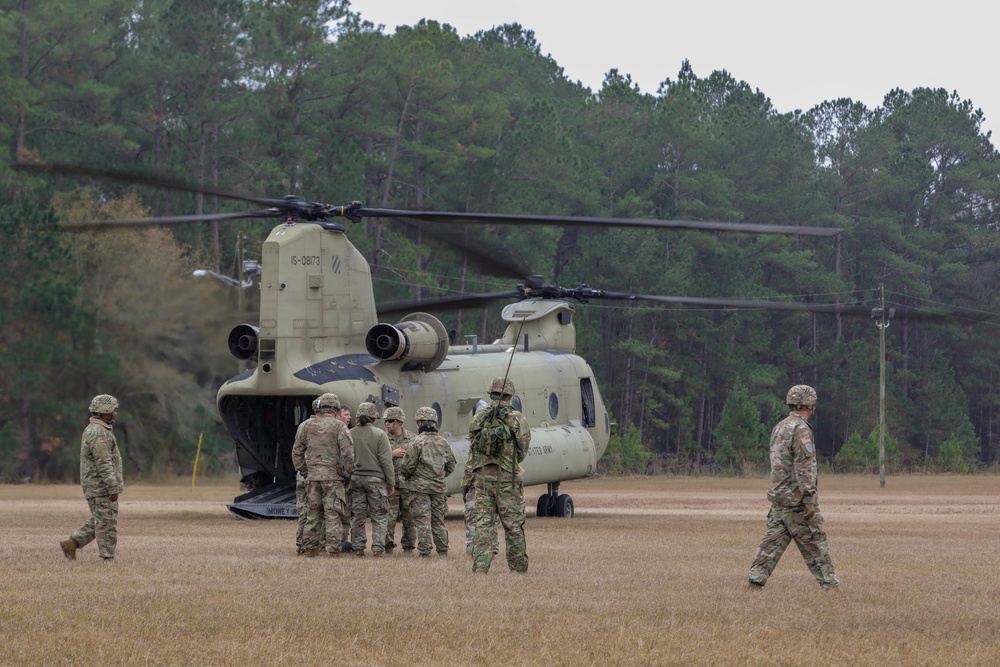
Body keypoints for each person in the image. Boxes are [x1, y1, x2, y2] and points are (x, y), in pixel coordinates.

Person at [747, 384, 839, 590]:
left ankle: (756, 579)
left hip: (779, 496)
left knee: (773, 540)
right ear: (810, 405)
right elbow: (804, 467)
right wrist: (809, 500)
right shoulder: (801, 430)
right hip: (795, 499)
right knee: (814, 541)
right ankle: (831, 586)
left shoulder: (780, 426)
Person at [467, 377, 530, 573]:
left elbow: (473, 443)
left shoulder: (479, 417)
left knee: (484, 525)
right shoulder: (517, 418)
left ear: (491, 394)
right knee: (513, 526)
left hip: (483, 479)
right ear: (510, 395)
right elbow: (522, 449)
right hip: (507, 480)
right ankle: (518, 569)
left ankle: (480, 569)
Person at [60, 394, 124, 562]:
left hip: (96, 485)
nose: (115, 413)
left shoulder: (98, 430)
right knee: (107, 523)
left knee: (101, 518)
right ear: (105, 411)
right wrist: (113, 487)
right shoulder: (98, 433)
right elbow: (104, 463)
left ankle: (71, 544)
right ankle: (107, 558)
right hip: (100, 486)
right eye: (113, 410)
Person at [291, 393, 355, 557]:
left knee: (312, 514)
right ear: (335, 409)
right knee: (333, 514)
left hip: (312, 478)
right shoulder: (339, 427)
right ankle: (333, 551)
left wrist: (305, 471)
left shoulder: (305, 426)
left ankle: (310, 550)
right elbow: (348, 454)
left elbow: (296, 453)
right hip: (333, 478)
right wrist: (349, 473)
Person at [399, 407, 456, 557]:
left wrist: (411, 477)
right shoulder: (444, 442)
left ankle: (425, 551)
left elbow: (406, 466)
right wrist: (438, 475)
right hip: (438, 488)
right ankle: (443, 550)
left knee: (422, 521)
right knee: (439, 521)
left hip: (419, 489)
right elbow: (451, 466)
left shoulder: (416, 442)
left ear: (422, 422)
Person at [349, 402, 395, 557]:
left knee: (358, 516)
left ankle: (358, 548)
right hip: (376, 481)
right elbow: (386, 461)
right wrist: (391, 482)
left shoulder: (350, 433)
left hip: (356, 480)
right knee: (380, 516)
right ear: (373, 417)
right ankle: (377, 549)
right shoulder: (380, 434)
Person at [383, 406, 416, 554]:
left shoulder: (412, 438)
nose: (387, 424)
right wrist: (391, 453)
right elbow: (376, 458)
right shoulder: (382, 438)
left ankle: (408, 546)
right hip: (390, 485)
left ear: (399, 421)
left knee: (409, 518)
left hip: (408, 485)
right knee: (389, 518)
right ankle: (387, 545)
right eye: (386, 421)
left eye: (390, 421)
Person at [336, 404, 354, 551]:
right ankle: (338, 542)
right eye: (346, 414)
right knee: (339, 512)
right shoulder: (340, 431)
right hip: (339, 478)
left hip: (341, 477)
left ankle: (342, 540)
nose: (349, 418)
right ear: (338, 415)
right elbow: (348, 456)